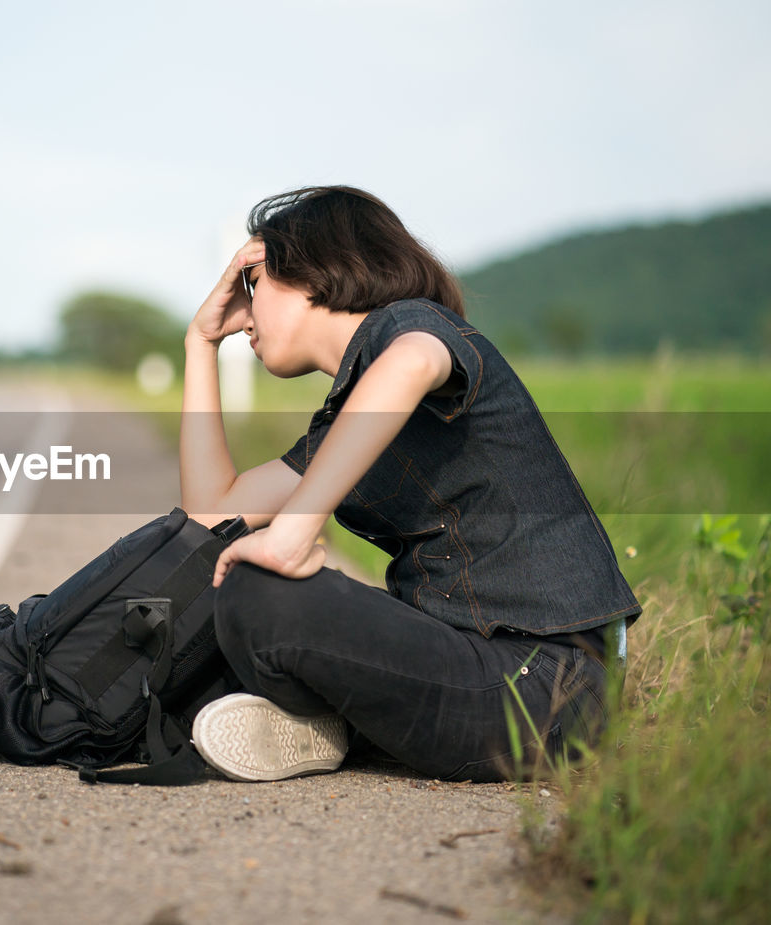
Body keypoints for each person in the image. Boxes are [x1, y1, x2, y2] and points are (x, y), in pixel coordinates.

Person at [181, 186, 640, 783]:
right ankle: (326, 723)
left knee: (259, 591)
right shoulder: (352, 419)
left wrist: (293, 533)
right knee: (230, 576)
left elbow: (415, 361)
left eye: (252, 281)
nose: (244, 308)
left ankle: (325, 722)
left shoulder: (410, 325)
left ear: (313, 273)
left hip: (548, 686)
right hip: (488, 674)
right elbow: (214, 513)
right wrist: (200, 344)